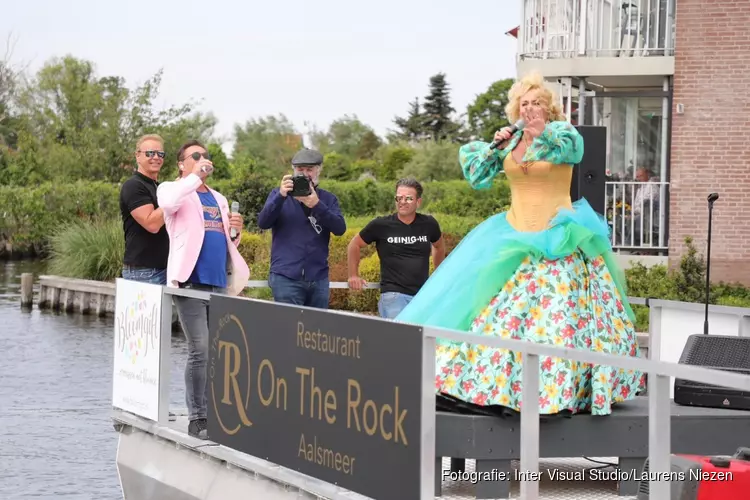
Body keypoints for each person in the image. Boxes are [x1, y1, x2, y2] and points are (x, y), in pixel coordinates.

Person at [396, 72, 645, 417]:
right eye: (524, 103)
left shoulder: (562, 134)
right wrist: (494, 146)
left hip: (557, 237)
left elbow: (575, 152)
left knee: (554, 321)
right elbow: (476, 177)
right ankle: (479, 386)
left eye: (536, 103)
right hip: (513, 234)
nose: (529, 108)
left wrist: (541, 131)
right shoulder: (511, 143)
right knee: (495, 317)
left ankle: (555, 394)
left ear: (548, 107)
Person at [157, 140, 250, 439]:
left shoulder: (218, 198)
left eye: (205, 156)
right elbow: (168, 205)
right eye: (194, 156)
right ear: (181, 164)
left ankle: (216, 413)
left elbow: (224, 240)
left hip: (217, 281)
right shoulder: (172, 189)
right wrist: (195, 177)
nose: (201, 159)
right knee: (200, 349)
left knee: (218, 352)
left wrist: (236, 231)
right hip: (189, 281)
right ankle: (197, 418)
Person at [257, 147, 346, 309]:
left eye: (309, 169)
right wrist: (280, 197)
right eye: (300, 169)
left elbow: (340, 229)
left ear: (319, 170)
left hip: (318, 277)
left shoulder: (327, 198)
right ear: (293, 171)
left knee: (316, 331)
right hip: (286, 276)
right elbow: (263, 223)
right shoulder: (278, 194)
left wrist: (317, 205)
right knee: (288, 329)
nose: (305, 174)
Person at [347, 178, 445, 319]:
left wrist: (438, 274)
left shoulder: (429, 224)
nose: (402, 201)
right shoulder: (381, 225)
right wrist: (353, 275)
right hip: (393, 296)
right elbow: (354, 245)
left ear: (418, 202)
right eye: (399, 198)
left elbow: (439, 246)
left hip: (422, 295)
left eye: (408, 198)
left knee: (422, 339)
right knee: (400, 338)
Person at [119, 134, 169, 284]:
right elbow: (151, 224)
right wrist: (176, 195)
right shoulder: (134, 186)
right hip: (143, 272)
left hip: (164, 269)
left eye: (160, 154)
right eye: (150, 153)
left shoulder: (159, 188)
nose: (156, 157)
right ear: (137, 156)